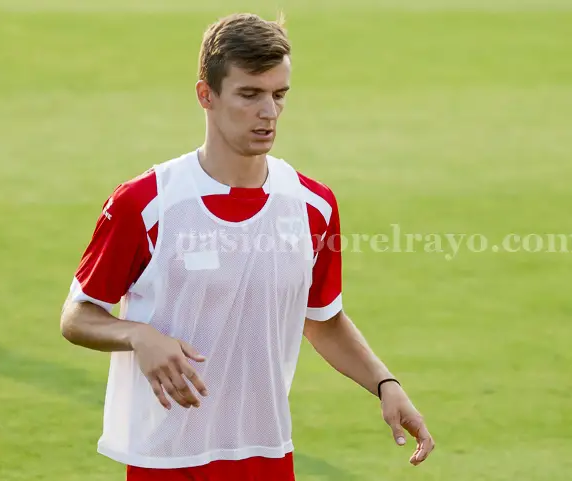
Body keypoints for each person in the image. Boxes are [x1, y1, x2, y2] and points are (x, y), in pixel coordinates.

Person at [59, 11, 434, 481]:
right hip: (167, 460)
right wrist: (138, 335)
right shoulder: (146, 203)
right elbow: (78, 316)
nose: (269, 112)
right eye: (250, 94)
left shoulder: (312, 205)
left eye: (279, 95)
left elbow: (322, 319)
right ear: (206, 95)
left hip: (266, 453)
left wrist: (384, 383)